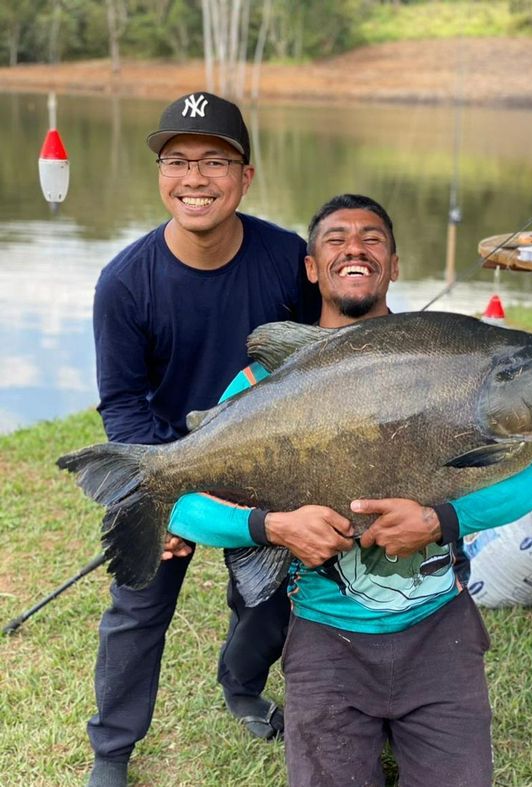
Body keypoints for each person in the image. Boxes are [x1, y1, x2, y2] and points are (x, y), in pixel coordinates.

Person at [168, 193, 532, 786]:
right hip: (324, 638)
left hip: (441, 632)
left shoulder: (451, 364)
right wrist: (271, 527)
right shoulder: (258, 384)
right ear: (312, 268)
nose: (354, 247)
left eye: (372, 238)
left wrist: (438, 521)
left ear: (395, 265)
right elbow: (183, 502)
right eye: (336, 239)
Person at [87, 92, 321, 787]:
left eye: (215, 161)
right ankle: (112, 750)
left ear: (245, 175)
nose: (195, 178)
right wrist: (165, 496)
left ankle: (241, 684)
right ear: (160, 174)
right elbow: (123, 406)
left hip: (268, 463)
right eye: (179, 161)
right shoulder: (125, 283)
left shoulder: (288, 259)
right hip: (166, 464)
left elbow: (323, 359)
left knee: (271, 596)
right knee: (137, 602)